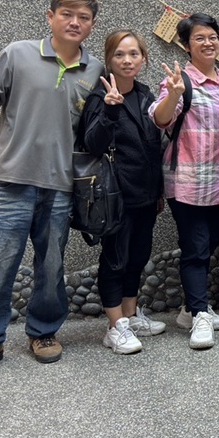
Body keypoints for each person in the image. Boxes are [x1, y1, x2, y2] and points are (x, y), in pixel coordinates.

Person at [0, 0, 104, 379]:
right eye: (67, 14)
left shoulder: (95, 70)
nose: (74, 22)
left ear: (91, 25)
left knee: (51, 267)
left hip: (61, 185)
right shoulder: (18, 53)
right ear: (50, 16)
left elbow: (92, 131)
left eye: (83, 17)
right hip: (10, 182)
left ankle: (43, 332)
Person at [150, 13, 219, 351]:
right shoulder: (180, 81)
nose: (208, 42)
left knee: (209, 243)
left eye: (213, 36)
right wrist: (173, 95)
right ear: (186, 46)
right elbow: (160, 119)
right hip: (186, 179)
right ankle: (200, 315)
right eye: (199, 38)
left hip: (218, 181)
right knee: (196, 247)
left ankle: (190, 309)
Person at [78, 30, 166, 354]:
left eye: (133, 54)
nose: (127, 60)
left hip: (145, 194)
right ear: (109, 59)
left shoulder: (144, 94)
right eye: (119, 54)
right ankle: (114, 326)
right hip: (115, 197)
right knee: (115, 260)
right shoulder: (99, 97)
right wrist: (110, 111)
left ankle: (130, 316)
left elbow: (153, 146)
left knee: (138, 256)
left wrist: (158, 191)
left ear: (143, 58)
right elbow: (91, 144)